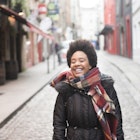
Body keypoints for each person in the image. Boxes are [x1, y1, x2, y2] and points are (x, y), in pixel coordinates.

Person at [50, 39, 124, 140]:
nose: (77, 64)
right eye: (73, 61)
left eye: (81, 60)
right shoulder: (66, 89)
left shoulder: (105, 86)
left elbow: (117, 122)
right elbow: (58, 124)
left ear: (90, 64)